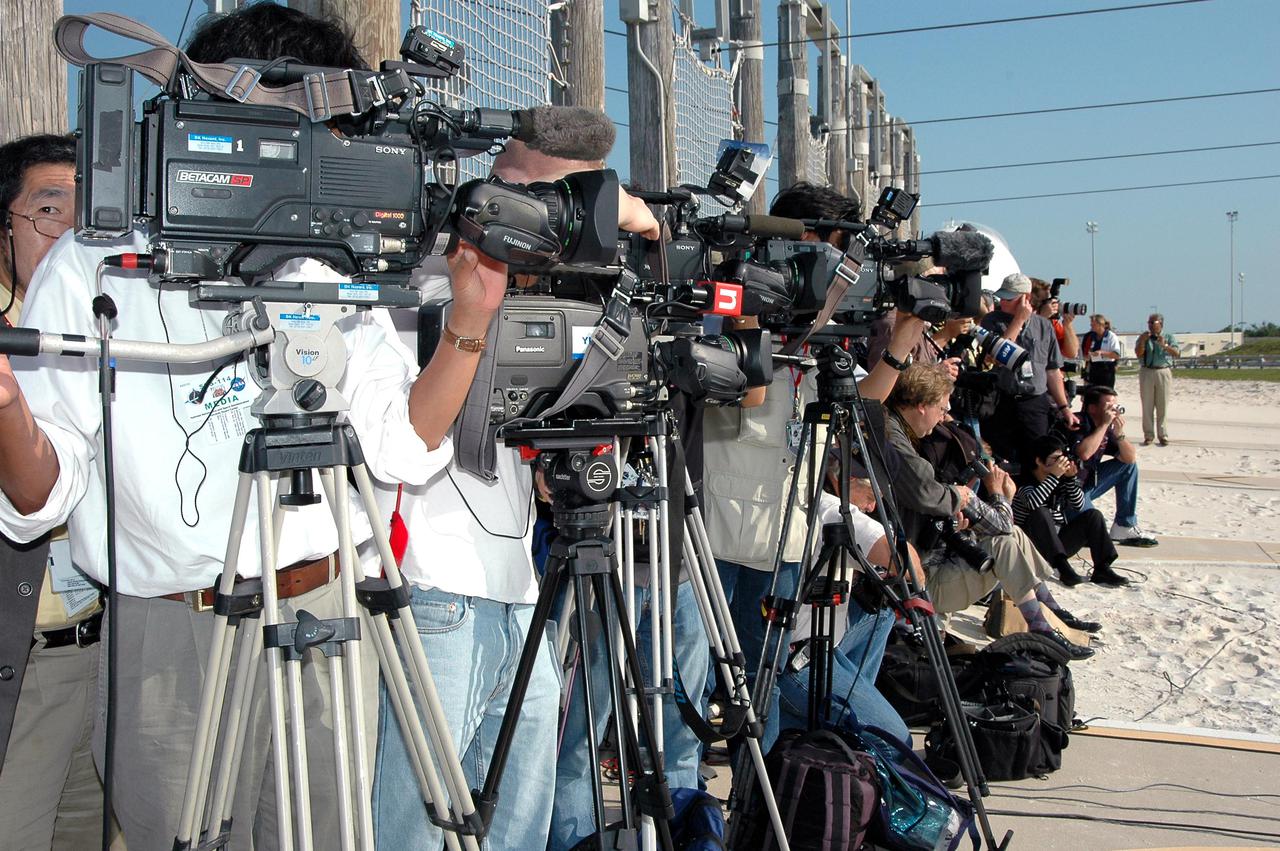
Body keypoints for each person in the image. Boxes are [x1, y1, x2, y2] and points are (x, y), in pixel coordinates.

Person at [0, 8, 461, 848]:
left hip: (326, 607)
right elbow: (41, 495)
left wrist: (474, 314)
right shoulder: (96, 258)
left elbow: (398, 446)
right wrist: (3, 407)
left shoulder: (336, 251)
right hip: (172, 629)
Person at [702, 180, 929, 758]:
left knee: (768, 678)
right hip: (721, 533)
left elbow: (864, 398)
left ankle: (764, 797)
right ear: (805, 243)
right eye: (838, 250)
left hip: (787, 534)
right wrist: (754, 320)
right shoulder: (733, 304)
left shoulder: (820, 327)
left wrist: (901, 342)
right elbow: (742, 395)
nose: (845, 269)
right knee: (730, 679)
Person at [0, 132, 110, 849]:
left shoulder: (119, 338)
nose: (70, 232)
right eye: (47, 209)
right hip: (23, 665)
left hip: (106, 657)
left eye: (87, 213)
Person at [885, 364, 1094, 658]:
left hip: (923, 573)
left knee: (1014, 536)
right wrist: (997, 493)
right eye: (942, 409)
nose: (943, 418)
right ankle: (1043, 627)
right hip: (924, 586)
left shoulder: (903, 437)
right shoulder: (937, 480)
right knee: (1005, 541)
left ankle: (1050, 615)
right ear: (922, 406)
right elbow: (1001, 525)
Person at [775, 477, 917, 747]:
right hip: (795, 661)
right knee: (895, 741)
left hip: (785, 643)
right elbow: (907, 566)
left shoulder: (785, 496)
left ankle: (847, 711)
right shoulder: (834, 512)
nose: (873, 506)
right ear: (846, 481)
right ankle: (849, 729)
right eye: (870, 495)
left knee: (880, 614)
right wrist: (878, 526)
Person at [979, 273, 1075, 468]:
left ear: (1026, 298)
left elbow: (1052, 371)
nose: (1003, 302)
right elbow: (999, 355)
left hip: (1034, 403)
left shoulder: (1044, 325)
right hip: (1002, 400)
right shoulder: (992, 320)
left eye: (1009, 298)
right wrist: (1018, 321)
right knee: (1001, 460)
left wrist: (1064, 408)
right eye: (1002, 297)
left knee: (1037, 460)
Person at [1012, 434, 1120, 593]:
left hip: (1057, 544)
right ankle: (1062, 568)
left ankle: (1102, 568)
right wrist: (1055, 476)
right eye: (1055, 459)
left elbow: (1079, 505)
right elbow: (1033, 503)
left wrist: (1070, 480)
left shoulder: (1058, 481)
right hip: (1030, 546)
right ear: (1039, 461)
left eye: (1061, 458)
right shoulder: (1023, 482)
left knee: (1093, 516)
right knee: (1040, 512)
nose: (1060, 463)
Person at [1071, 385, 1158, 552]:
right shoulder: (1077, 423)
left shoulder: (1107, 427)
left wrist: (1119, 433)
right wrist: (1103, 425)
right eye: (1109, 406)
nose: (1114, 410)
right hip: (1069, 491)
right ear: (1092, 408)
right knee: (1092, 530)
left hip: (1088, 484)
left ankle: (1124, 526)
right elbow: (1084, 453)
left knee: (1128, 466)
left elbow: (1130, 458)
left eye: (1115, 406)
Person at [1135, 312, 1179, 446]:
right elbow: (1138, 353)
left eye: (1152, 323)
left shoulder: (1168, 337)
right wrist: (1143, 341)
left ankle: (1163, 434)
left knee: (1162, 405)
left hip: (1163, 371)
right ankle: (1148, 435)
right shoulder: (1144, 337)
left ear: (1161, 324)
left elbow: (1177, 353)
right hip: (1147, 371)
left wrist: (1165, 346)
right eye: (1149, 322)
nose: (1150, 325)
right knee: (1147, 405)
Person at [1031, 278, 1080, 360]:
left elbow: (1072, 353)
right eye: (1044, 302)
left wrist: (1067, 324)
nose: (1048, 305)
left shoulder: (1052, 323)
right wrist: (1042, 317)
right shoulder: (1020, 320)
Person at [1080, 314, 1120, 389]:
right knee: (1093, 392)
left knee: (1106, 392)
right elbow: (1085, 353)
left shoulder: (1111, 336)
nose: (1091, 325)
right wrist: (1089, 356)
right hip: (1093, 367)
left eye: (1093, 324)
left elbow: (1116, 355)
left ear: (1100, 324)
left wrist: (1102, 353)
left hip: (1107, 368)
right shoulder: (1090, 336)